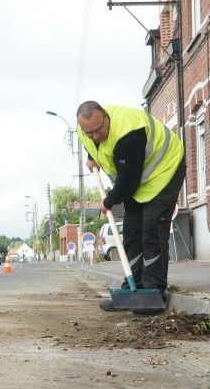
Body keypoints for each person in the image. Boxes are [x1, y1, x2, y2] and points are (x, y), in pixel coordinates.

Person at [76, 101, 186, 312]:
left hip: (164, 170)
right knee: (132, 233)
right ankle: (132, 291)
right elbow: (92, 143)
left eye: (99, 130)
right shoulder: (86, 132)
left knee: (151, 231)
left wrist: (108, 201)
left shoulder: (129, 133)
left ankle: (154, 295)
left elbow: (128, 180)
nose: (96, 136)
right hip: (138, 178)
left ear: (106, 117)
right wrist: (92, 156)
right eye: (89, 133)